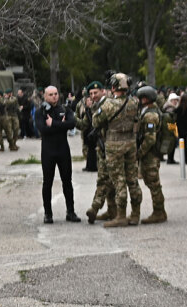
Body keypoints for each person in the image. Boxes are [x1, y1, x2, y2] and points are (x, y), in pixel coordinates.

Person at [92, 73, 142, 228]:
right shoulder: (134, 103)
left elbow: (95, 121)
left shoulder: (108, 105)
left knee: (118, 179)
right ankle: (135, 214)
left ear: (113, 87)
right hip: (130, 143)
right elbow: (137, 120)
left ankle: (120, 215)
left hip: (114, 145)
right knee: (132, 179)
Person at [34, 86, 81, 224]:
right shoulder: (40, 112)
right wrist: (61, 125)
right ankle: (48, 214)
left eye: (56, 94)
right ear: (45, 96)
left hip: (63, 150)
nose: (54, 96)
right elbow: (42, 129)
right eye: (51, 94)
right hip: (48, 151)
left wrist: (53, 124)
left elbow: (72, 124)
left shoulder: (64, 109)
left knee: (67, 181)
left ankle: (70, 212)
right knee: (47, 182)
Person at [77, 81, 118, 224]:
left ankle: (94, 208)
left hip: (111, 147)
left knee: (104, 180)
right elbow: (84, 125)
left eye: (96, 93)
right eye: (91, 94)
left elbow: (97, 123)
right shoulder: (95, 107)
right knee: (108, 181)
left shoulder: (107, 105)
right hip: (101, 148)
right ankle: (112, 211)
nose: (93, 96)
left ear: (103, 92)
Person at [136, 86, 167, 224]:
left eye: (141, 97)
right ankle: (160, 211)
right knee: (152, 183)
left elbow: (150, 139)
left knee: (154, 184)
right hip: (150, 154)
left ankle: (159, 212)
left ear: (146, 98)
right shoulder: (148, 111)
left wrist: (139, 153)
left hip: (151, 154)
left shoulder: (150, 115)